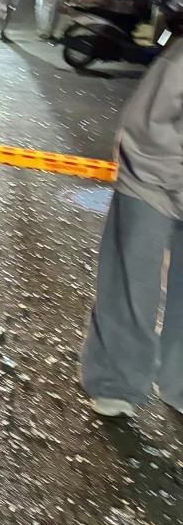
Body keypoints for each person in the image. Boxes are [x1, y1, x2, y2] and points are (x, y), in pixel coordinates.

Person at [81, 36, 183, 419]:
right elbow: (148, 127)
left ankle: (179, 383)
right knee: (130, 283)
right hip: (152, 178)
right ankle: (116, 383)